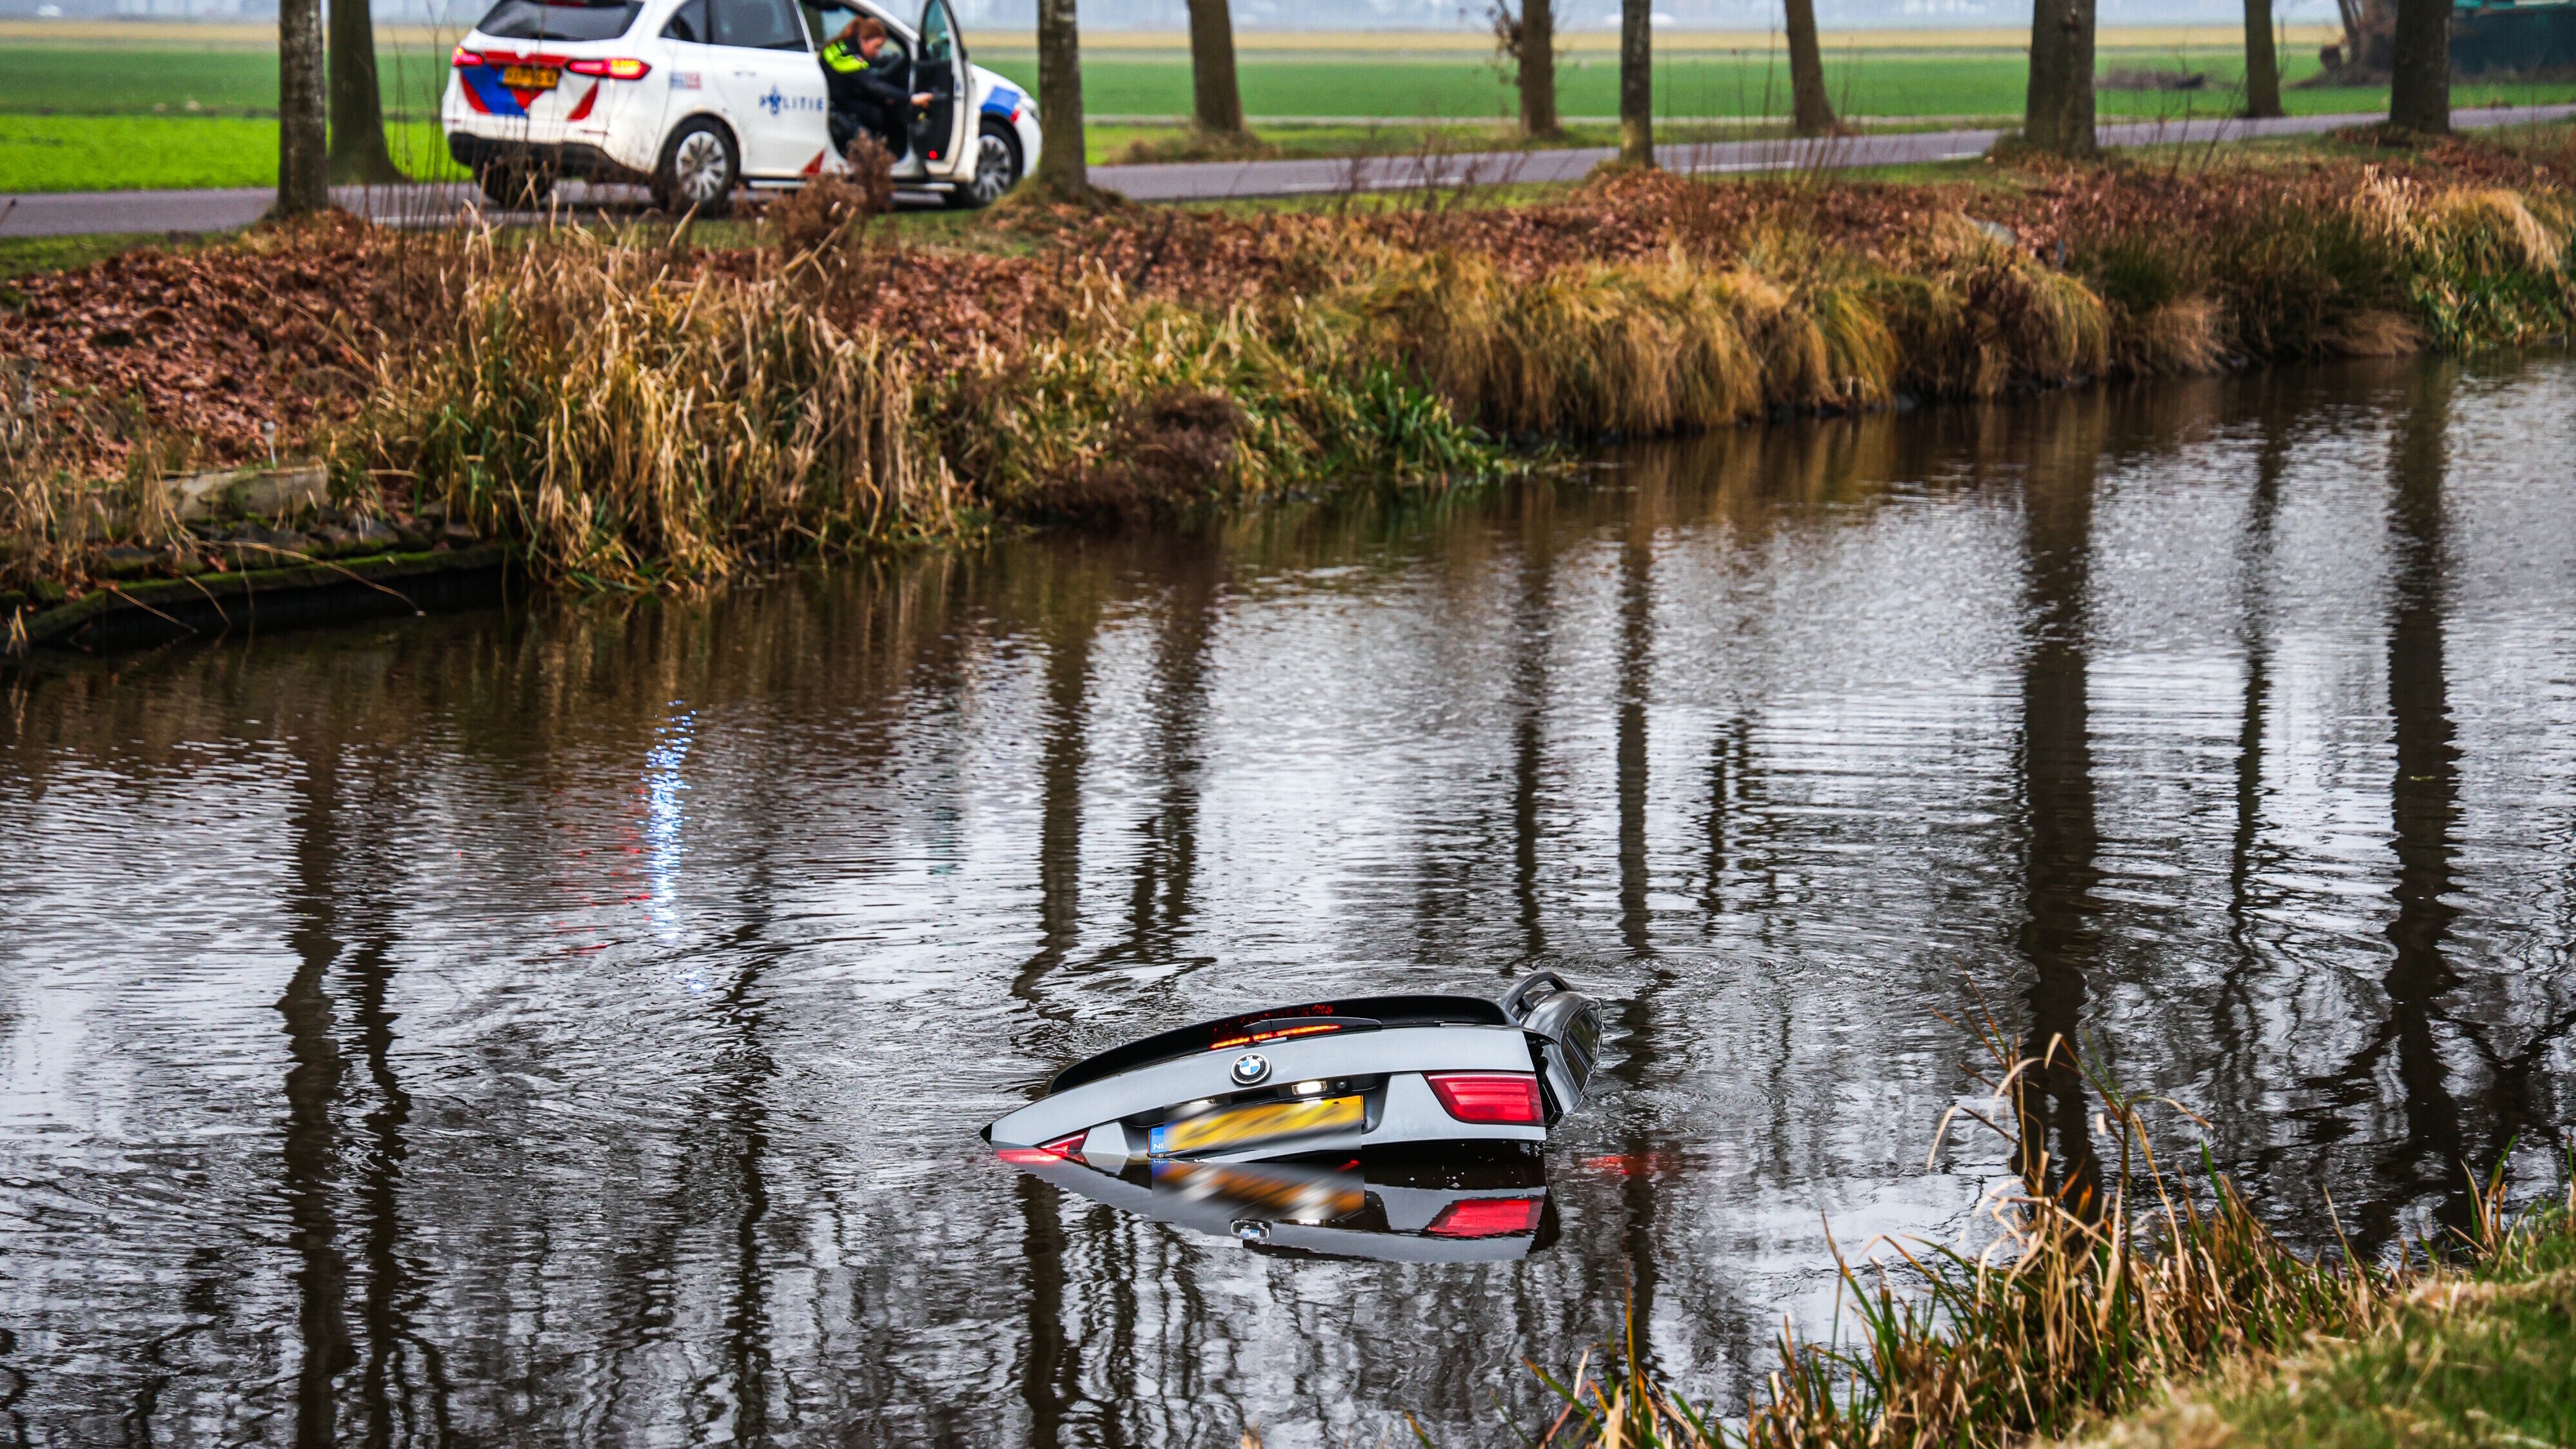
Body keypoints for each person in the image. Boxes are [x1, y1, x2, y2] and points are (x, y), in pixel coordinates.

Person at [819, 15, 933, 163]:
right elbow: (873, 86)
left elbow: (865, 77)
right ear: (863, 40)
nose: (878, 52)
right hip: (837, 106)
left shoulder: (843, 46)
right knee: (876, 115)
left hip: (839, 98)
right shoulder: (849, 57)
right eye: (877, 47)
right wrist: (910, 98)